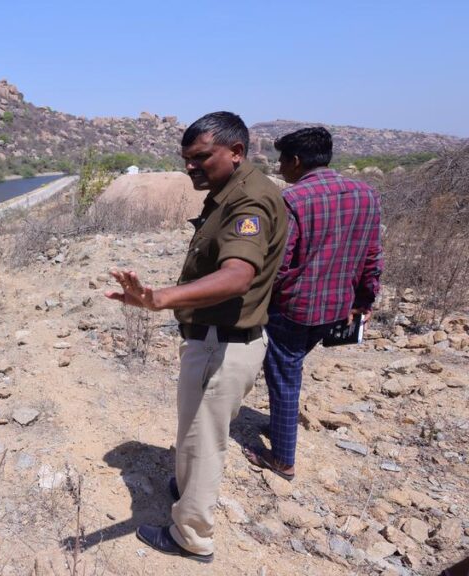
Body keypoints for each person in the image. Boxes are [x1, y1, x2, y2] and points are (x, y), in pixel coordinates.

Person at [106, 111, 287, 563]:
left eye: (201, 158)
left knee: (204, 443)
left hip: (223, 343)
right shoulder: (230, 191)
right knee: (192, 431)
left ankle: (192, 536)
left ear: (237, 152)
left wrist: (161, 298)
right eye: (186, 158)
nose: (191, 167)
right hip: (215, 340)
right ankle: (185, 491)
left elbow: (237, 276)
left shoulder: (248, 203)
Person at [242, 127, 383, 480]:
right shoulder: (366, 194)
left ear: (295, 161)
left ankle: (283, 459)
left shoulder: (293, 200)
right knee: (289, 368)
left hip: (295, 307)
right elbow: (372, 255)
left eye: (282, 162)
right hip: (337, 305)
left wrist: (253, 302)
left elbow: (278, 262)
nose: (280, 168)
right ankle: (282, 424)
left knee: (285, 376)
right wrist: (365, 299)